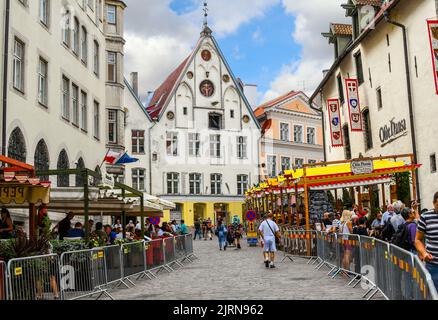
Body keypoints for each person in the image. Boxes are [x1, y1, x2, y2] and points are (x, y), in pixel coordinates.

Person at [416, 192, 438, 289]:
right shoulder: (425, 217)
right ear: (433, 203)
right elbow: (417, 240)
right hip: (433, 265)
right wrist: (424, 253)